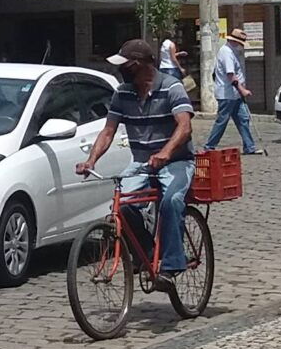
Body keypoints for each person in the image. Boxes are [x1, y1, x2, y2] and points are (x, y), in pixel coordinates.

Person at [78, 37, 196, 277]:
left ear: (142, 65)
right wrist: (91, 160)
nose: (121, 71)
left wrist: (165, 153)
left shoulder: (171, 87)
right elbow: (108, 131)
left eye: (126, 65)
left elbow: (184, 127)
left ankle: (173, 263)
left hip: (176, 161)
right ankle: (145, 252)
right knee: (121, 205)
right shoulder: (122, 94)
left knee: (171, 201)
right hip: (141, 163)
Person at [201, 26, 262, 155]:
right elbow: (230, 74)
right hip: (227, 94)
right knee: (222, 121)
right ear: (236, 41)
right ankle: (209, 146)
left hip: (235, 95)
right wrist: (242, 90)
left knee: (243, 119)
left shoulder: (231, 51)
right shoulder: (226, 52)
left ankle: (249, 146)